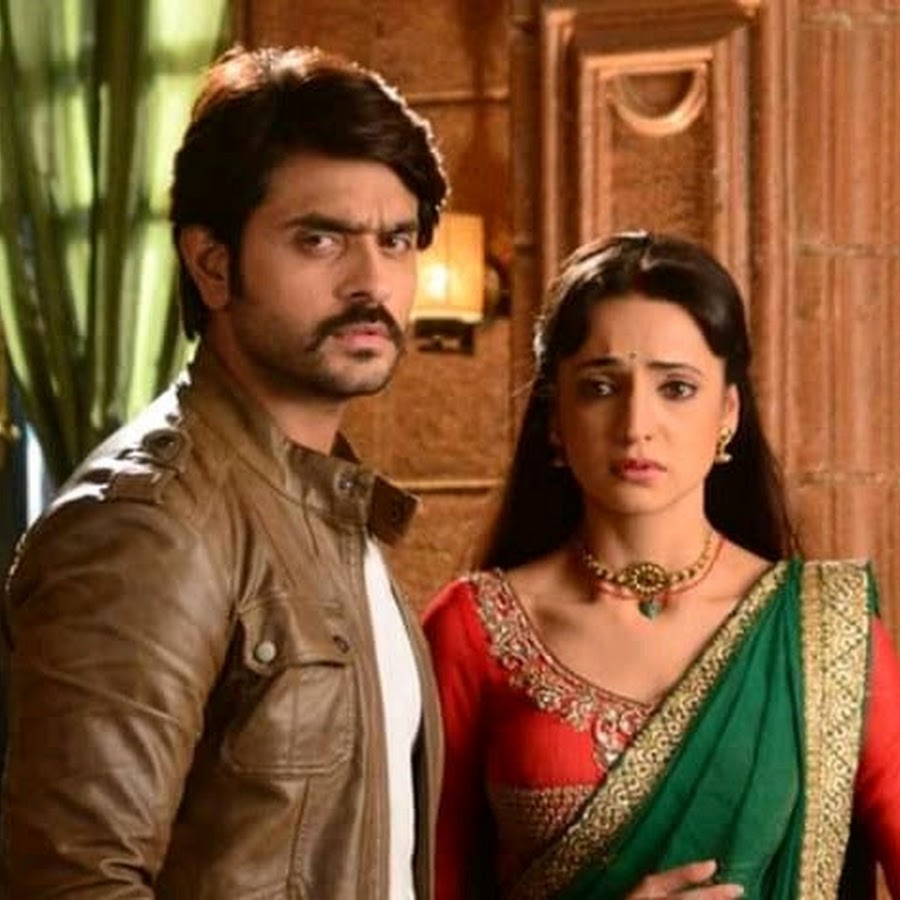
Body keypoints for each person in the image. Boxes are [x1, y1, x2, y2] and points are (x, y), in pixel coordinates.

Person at [1, 45, 449, 898]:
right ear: (212, 263)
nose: (371, 281)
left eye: (395, 241)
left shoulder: (328, 506)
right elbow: (74, 882)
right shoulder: (147, 525)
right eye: (320, 239)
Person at [423, 232, 900, 899]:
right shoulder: (472, 628)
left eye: (676, 387)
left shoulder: (822, 633)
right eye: (600, 387)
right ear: (555, 418)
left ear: (728, 413)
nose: (636, 424)